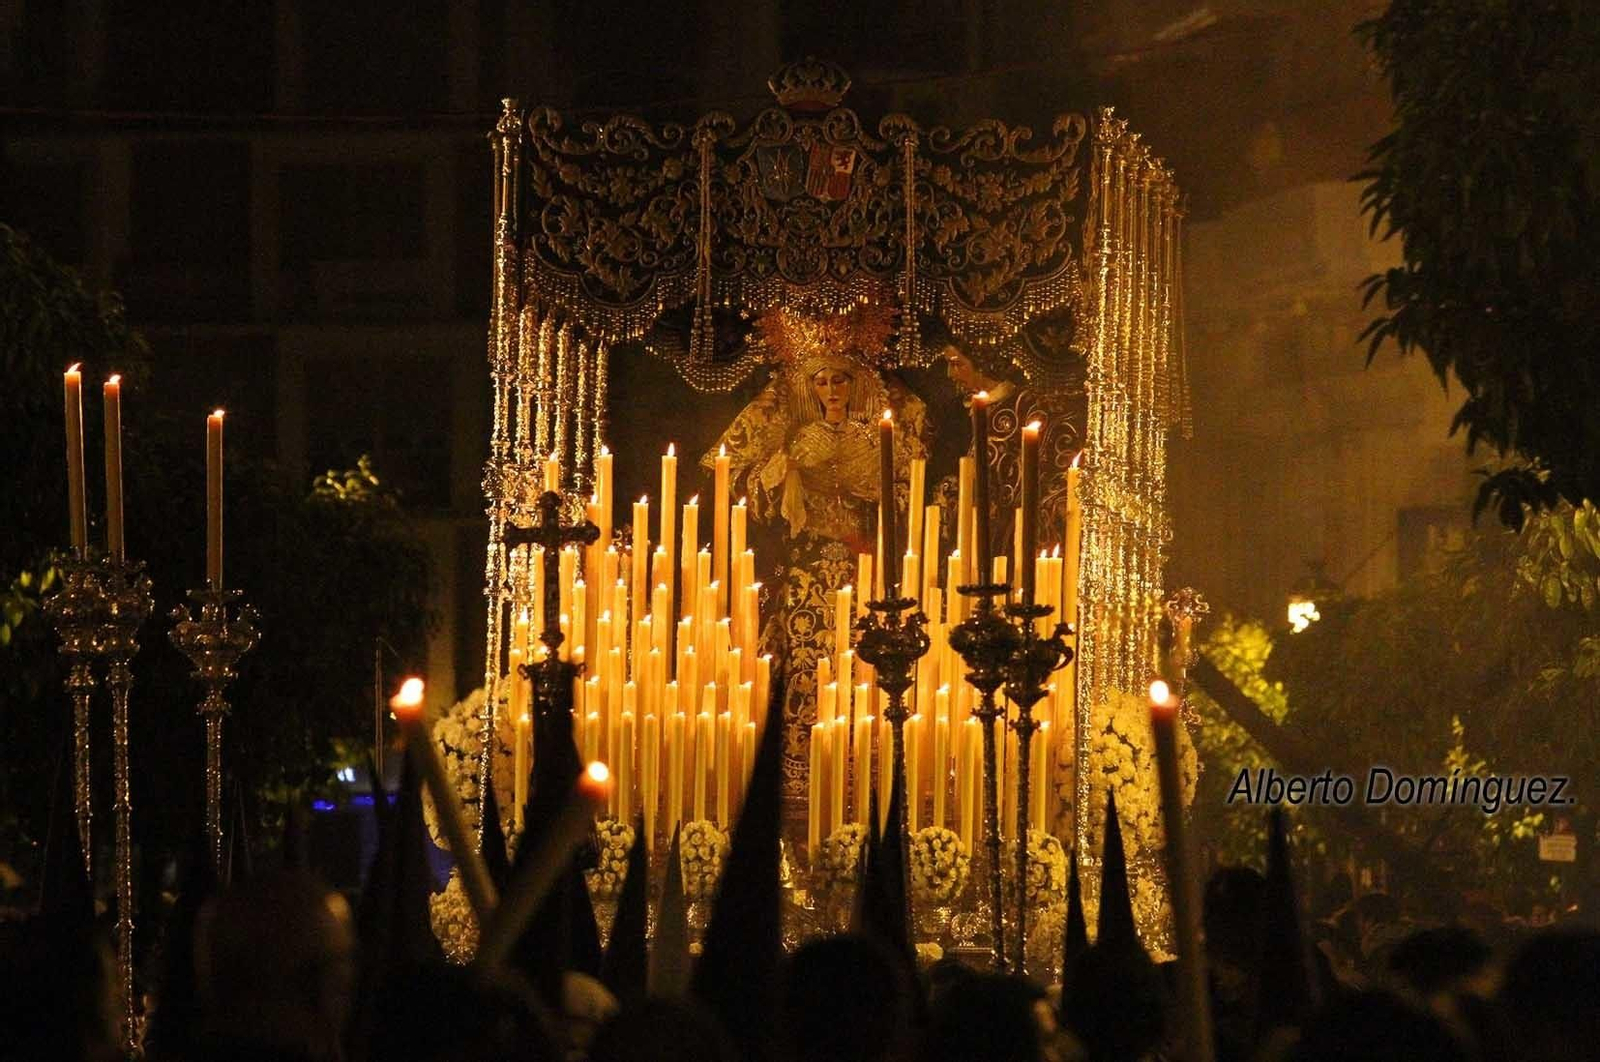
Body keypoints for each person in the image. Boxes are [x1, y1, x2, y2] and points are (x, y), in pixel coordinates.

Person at [705, 301, 928, 821]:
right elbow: (741, 483)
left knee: (863, 660)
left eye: (840, 381)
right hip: (806, 570)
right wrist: (787, 468)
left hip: (864, 566)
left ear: (855, 386)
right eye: (822, 381)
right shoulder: (798, 436)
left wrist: (866, 479)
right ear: (810, 387)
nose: (832, 390)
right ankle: (798, 770)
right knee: (803, 657)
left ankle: (862, 762)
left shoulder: (876, 436)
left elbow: (904, 494)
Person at [936, 331, 1081, 568]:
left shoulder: (1027, 407)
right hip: (980, 533)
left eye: (957, 365)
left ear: (981, 363)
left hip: (1016, 535)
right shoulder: (957, 413)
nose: (950, 374)